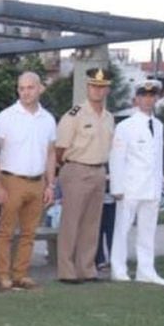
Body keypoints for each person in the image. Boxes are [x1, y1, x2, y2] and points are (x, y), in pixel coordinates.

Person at [0, 72, 57, 292]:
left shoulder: (48, 119)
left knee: (29, 232)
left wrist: (50, 184)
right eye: (21, 88)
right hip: (12, 180)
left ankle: (21, 274)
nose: (25, 92)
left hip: (37, 182)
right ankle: (3, 276)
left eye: (30, 87)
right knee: (6, 231)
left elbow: (50, 154)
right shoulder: (5, 117)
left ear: (40, 89)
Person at [55, 68, 115, 283]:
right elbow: (60, 149)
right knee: (71, 222)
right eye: (93, 86)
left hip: (99, 171)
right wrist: (70, 168)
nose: (97, 91)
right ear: (87, 87)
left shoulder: (109, 118)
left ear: (107, 89)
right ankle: (67, 270)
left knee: (92, 223)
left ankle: (87, 268)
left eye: (101, 87)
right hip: (77, 169)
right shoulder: (75, 115)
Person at [109, 80, 164, 285]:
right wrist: (116, 187)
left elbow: (157, 157)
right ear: (136, 99)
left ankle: (146, 271)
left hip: (151, 187)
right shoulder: (126, 126)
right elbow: (117, 158)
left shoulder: (159, 125)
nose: (148, 100)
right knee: (122, 230)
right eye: (144, 96)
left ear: (156, 98)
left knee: (147, 231)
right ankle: (118, 269)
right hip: (130, 187)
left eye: (152, 96)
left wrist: (159, 185)